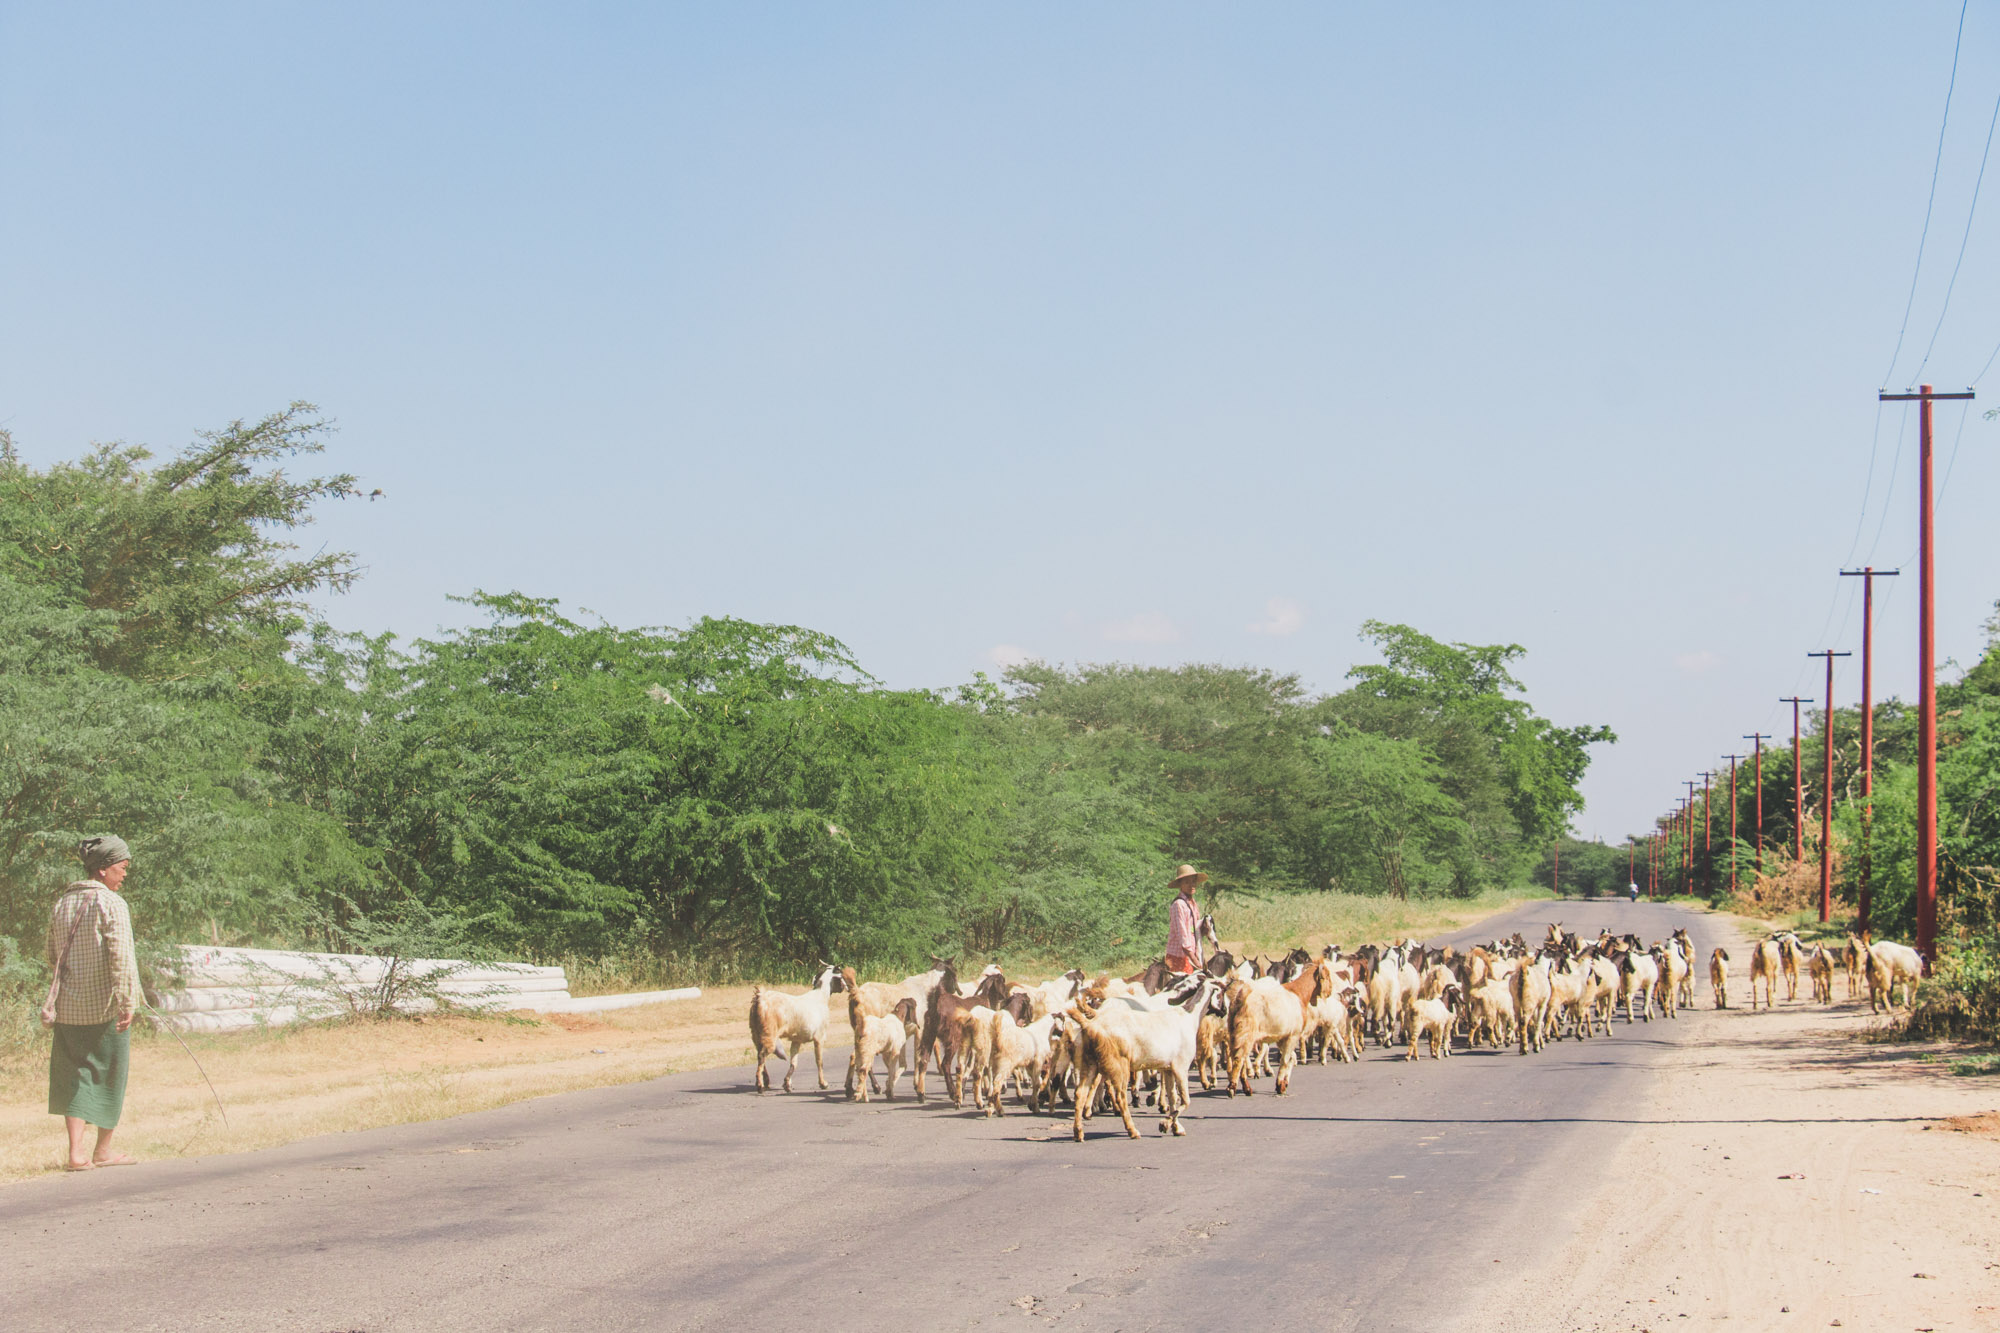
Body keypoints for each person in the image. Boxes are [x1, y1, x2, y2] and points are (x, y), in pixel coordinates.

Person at [44, 836, 142, 1172]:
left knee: (74, 1076)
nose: (124, 875)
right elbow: (121, 958)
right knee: (111, 1074)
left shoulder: (62, 902)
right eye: (122, 868)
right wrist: (128, 1000)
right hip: (105, 1008)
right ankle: (103, 1150)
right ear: (103, 869)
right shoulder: (113, 904)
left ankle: (75, 1154)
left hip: (69, 1009)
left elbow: (51, 955)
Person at [1165, 864, 1208, 973]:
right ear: (1180, 884)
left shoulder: (1192, 903)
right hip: (1178, 956)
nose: (1191, 885)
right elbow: (1182, 935)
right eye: (1187, 882)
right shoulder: (1179, 904)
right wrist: (1194, 959)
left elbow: (1192, 931)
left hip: (1190, 954)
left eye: (1193, 881)